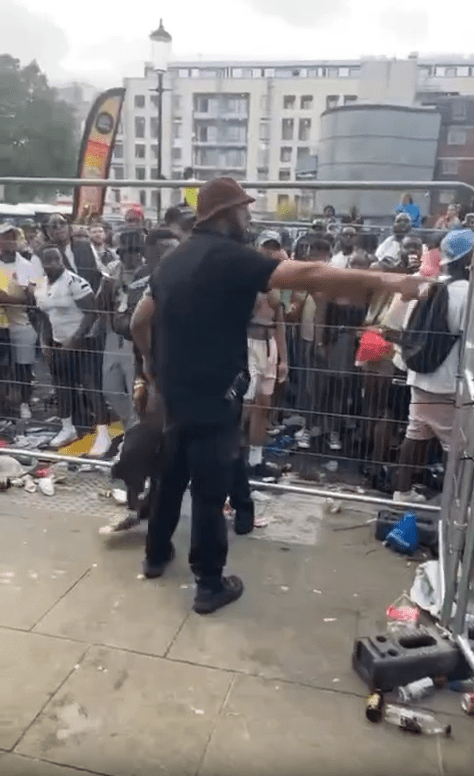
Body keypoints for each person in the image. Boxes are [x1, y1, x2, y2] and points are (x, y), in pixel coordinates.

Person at [131, 176, 427, 615]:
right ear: (226, 214)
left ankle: (156, 557)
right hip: (215, 394)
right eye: (245, 211)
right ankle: (209, 585)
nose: (250, 218)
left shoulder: (171, 263)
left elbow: (139, 321)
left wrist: (153, 367)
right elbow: (308, 274)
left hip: (175, 391)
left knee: (170, 476)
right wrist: (390, 280)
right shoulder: (231, 257)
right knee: (211, 493)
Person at [394, 229, 472, 502]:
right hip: (450, 384)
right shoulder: (468, 294)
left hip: (420, 376)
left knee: (414, 434)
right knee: (456, 446)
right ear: (467, 257)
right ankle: (453, 503)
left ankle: (401, 493)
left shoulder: (430, 286)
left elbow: (407, 329)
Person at [34, 248, 101, 449]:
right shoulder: (40, 285)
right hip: (57, 342)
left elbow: (92, 312)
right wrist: (45, 341)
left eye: (55, 259)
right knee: (62, 386)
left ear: (62, 260)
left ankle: (102, 431)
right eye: (47, 260)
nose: (51, 264)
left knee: (91, 387)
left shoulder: (75, 282)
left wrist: (76, 338)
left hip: (83, 342)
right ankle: (67, 428)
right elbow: (43, 315)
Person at [245, 230, 288, 477]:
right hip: (248, 343)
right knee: (244, 404)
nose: (269, 252)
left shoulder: (279, 280)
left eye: (274, 248)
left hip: (269, 345)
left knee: (263, 404)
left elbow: (280, 323)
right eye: (266, 247)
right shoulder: (248, 277)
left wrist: (284, 360)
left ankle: (255, 459)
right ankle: (231, 455)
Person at [0, 224, 43, 419]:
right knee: (3, 367)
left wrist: (11, 299)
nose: (9, 241)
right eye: (5, 237)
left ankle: (24, 402)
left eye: (12, 237)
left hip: (23, 323)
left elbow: (36, 297)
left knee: (23, 366)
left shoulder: (28, 266)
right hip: (2, 325)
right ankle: (5, 402)